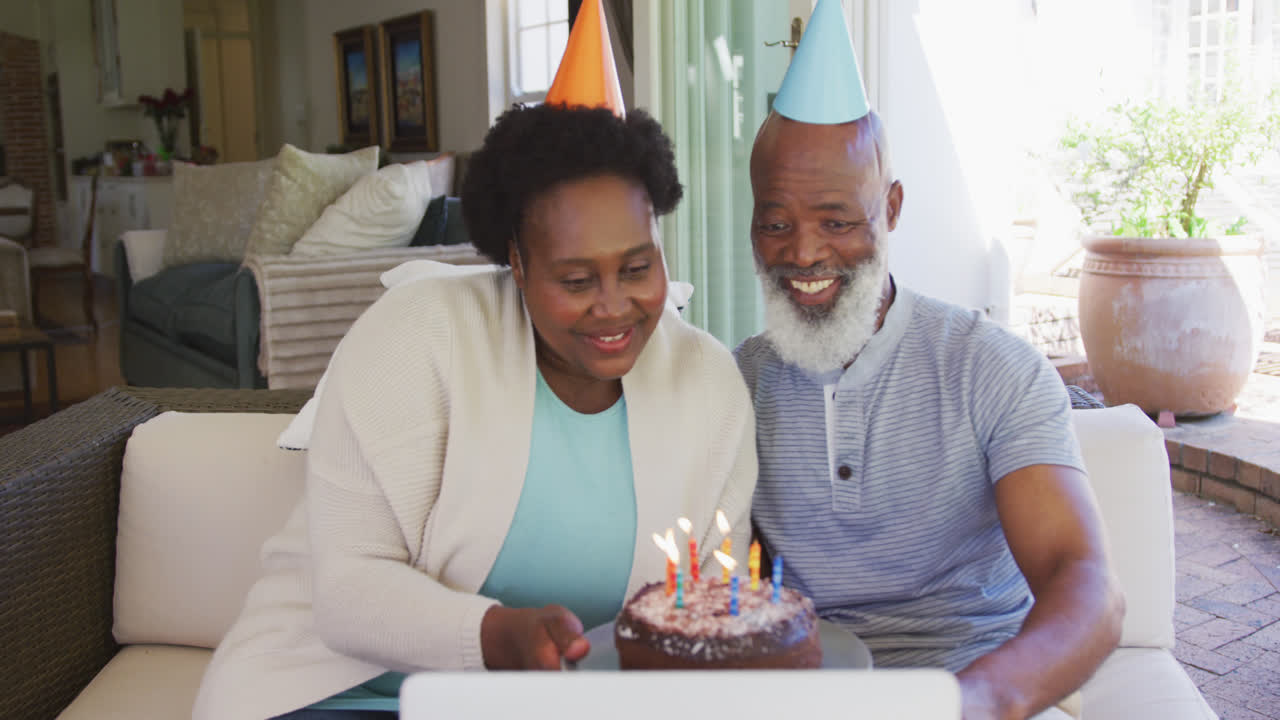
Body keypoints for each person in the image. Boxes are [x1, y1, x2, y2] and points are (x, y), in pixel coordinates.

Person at [192, 4, 755, 718]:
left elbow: (705, 609)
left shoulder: (710, 387)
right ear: (516, 264)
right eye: (576, 281)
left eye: (637, 267)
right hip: (339, 689)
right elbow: (348, 594)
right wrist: (494, 635)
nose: (613, 306)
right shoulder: (418, 338)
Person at [735, 2, 1124, 719]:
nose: (804, 252)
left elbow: (1087, 582)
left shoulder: (992, 370)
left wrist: (984, 699)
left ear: (893, 208)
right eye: (775, 223)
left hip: (979, 684)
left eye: (837, 221)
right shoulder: (734, 386)